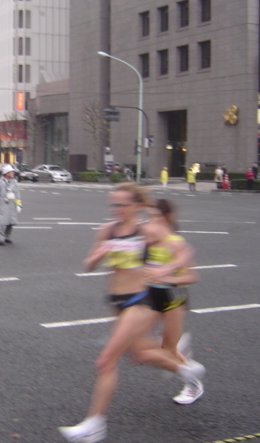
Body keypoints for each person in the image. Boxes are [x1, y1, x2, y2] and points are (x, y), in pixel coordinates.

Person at [58, 184, 204, 443]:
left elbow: (184, 252)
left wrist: (164, 271)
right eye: (114, 204)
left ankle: (94, 425)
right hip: (116, 301)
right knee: (139, 354)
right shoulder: (107, 230)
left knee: (106, 361)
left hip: (140, 302)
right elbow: (88, 265)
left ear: (137, 206)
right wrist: (97, 256)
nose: (117, 209)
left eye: (123, 204)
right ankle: (185, 369)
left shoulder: (147, 230)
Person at [133, 199, 202, 404]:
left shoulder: (175, 242)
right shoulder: (148, 240)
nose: (153, 221)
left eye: (157, 217)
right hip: (151, 296)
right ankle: (180, 353)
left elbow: (192, 276)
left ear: (168, 218)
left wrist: (166, 277)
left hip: (173, 298)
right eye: (150, 217)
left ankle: (193, 385)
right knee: (137, 342)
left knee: (167, 350)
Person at [0, 164, 21, 246]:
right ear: (6, 173)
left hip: (12, 205)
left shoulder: (14, 182)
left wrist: (18, 205)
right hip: (2, 204)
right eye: (11, 172)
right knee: (1, 222)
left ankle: (7, 237)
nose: (13, 173)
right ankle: (1, 239)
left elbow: (17, 194)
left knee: (10, 222)